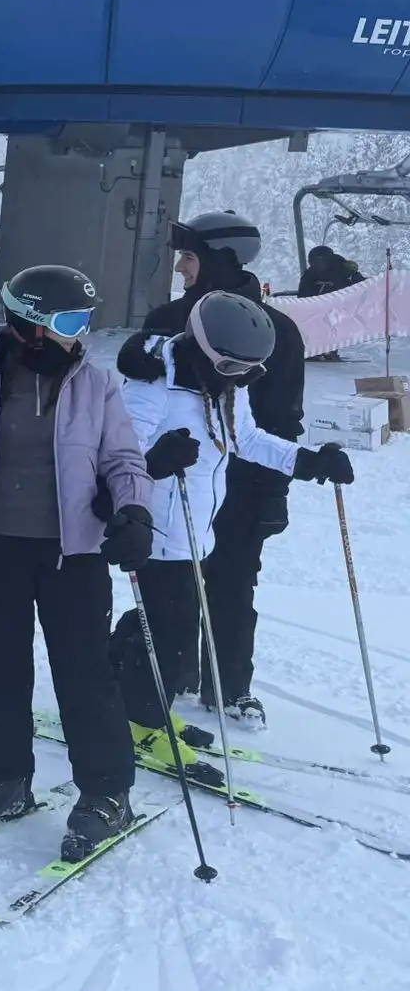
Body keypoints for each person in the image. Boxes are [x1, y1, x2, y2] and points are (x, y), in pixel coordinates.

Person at [0, 265, 152, 862]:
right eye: (70, 322)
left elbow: (124, 460)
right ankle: (3, 779)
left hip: (71, 554)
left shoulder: (96, 385)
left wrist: (133, 511)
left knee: (84, 674)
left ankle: (107, 792)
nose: (81, 335)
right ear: (29, 323)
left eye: (85, 322)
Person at [112, 291, 338, 763]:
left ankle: (125, 699)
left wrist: (306, 461)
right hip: (155, 529)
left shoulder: (222, 387)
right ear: (203, 349)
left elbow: (245, 439)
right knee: (170, 632)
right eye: (233, 367)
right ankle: (142, 720)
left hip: (196, 530)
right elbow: (119, 458)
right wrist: (156, 461)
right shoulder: (153, 385)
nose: (239, 378)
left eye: (249, 371)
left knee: (161, 621)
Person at [118, 211, 305, 723]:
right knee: (172, 601)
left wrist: (277, 491)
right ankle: (157, 686)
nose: (180, 266)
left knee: (232, 588)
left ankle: (229, 686)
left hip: (240, 485)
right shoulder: (168, 323)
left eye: (189, 256)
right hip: (175, 485)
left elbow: (277, 420)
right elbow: (133, 425)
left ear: (222, 260)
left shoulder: (277, 331)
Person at [298, 243, 365, 298]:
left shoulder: (345, 271)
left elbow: (365, 291)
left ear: (329, 261)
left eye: (321, 262)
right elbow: (303, 299)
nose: (317, 265)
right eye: (313, 262)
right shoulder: (308, 277)